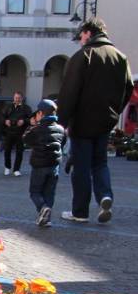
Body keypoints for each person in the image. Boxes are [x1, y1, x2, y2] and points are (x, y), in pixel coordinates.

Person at [57, 17, 134, 223]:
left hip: (82, 121)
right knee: (100, 163)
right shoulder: (120, 57)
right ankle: (105, 196)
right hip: (105, 121)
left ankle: (80, 211)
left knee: (81, 166)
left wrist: (61, 122)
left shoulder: (84, 56)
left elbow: (69, 92)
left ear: (88, 33)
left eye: (80, 35)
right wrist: (115, 112)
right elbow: (128, 88)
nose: (80, 40)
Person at [24, 99, 66, 228]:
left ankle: (42, 208)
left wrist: (32, 125)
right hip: (54, 165)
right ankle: (46, 219)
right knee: (49, 192)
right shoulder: (60, 129)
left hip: (39, 165)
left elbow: (26, 140)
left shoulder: (37, 129)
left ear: (41, 113)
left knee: (35, 192)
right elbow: (62, 144)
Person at [2, 91, 32, 176]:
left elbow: (31, 119)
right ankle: (7, 167)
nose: (17, 99)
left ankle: (16, 169)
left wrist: (24, 121)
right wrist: (5, 120)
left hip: (21, 132)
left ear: (22, 98)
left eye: (19, 98)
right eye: (16, 98)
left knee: (19, 151)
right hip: (9, 131)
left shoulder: (26, 108)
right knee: (7, 150)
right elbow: (1, 116)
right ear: (13, 98)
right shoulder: (7, 107)